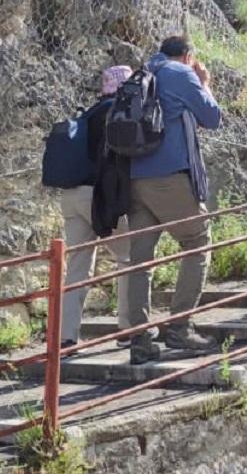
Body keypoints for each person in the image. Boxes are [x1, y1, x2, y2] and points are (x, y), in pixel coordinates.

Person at [125, 35, 222, 365]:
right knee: (198, 241)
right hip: (170, 176)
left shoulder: (141, 71)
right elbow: (212, 117)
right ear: (187, 56)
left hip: (135, 177)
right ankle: (180, 326)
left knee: (140, 260)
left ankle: (140, 339)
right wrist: (204, 82)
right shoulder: (181, 73)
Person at [59, 66, 137, 347]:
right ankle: (127, 331)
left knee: (77, 266)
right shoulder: (118, 113)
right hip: (99, 195)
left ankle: (65, 338)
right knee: (129, 256)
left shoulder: (89, 113)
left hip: (71, 195)